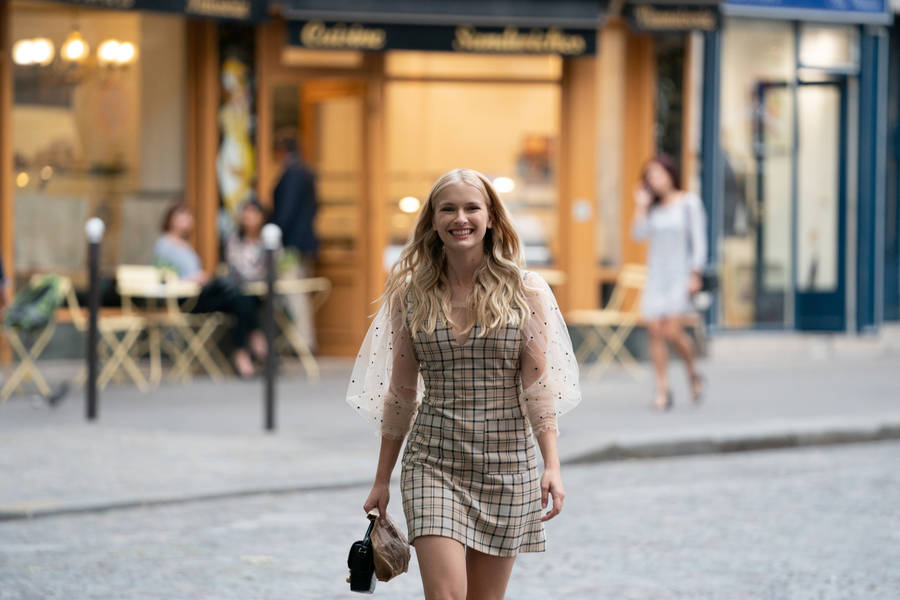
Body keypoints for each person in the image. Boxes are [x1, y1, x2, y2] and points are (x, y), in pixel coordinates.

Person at [347, 168, 581, 599]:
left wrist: (552, 464)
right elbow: (400, 394)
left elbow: (538, 388)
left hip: (507, 467)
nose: (461, 218)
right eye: (448, 209)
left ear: (491, 217)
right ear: (433, 221)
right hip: (433, 463)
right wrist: (381, 479)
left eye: (472, 207)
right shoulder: (410, 296)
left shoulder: (525, 291)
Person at [153, 203, 265, 378]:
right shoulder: (164, 244)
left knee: (243, 298)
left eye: (188, 216)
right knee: (235, 293)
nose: (187, 220)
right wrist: (191, 279)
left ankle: (243, 350)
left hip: (199, 293)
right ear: (170, 219)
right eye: (181, 215)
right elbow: (162, 277)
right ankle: (253, 340)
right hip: (184, 299)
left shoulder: (185, 244)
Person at [632, 155, 708, 411]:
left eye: (658, 174)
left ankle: (693, 373)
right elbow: (638, 235)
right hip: (656, 276)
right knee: (655, 331)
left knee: (672, 332)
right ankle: (662, 388)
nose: (654, 181)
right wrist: (640, 206)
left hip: (680, 275)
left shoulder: (688, 203)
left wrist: (695, 273)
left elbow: (698, 240)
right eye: (649, 177)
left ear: (670, 174)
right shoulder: (652, 208)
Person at [271, 134, 318, 351]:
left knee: (294, 292)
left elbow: (286, 212)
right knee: (300, 292)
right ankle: (304, 340)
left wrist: (274, 236)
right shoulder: (308, 173)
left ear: (282, 150)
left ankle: (301, 343)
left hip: (291, 245)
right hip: (306, 242)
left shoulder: (291, 174)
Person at [225, 199, 268, 284]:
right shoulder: (234, 239)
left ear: (261, 216)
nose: (247, 215)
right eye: (245, 211)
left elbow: (277, 264)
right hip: (241, 290)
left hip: (264, 289)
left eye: (252, 211)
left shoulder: (268, 237)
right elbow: (237, 269)